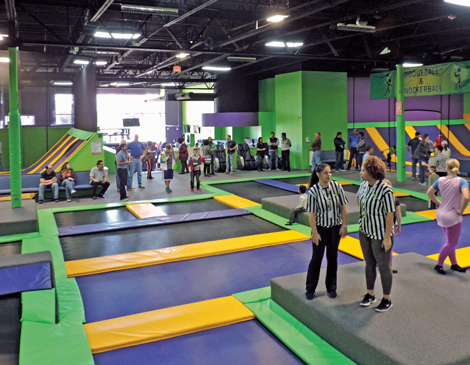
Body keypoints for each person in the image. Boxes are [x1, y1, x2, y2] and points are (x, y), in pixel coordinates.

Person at [305, 163, 348, 300]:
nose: (329, 175)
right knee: (316, 259)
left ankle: (331, 287)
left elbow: (343, 208)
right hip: (320, 230)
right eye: (325, 173)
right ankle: (310, 289)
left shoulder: (337, 187)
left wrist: (344, 226)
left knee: (332, 257)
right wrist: (315, 232)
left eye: (330, 172)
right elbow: (311, 214)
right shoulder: (313, 192)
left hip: (335, 229)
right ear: (318, 175)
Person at [357, 156, 395, 312]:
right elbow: (359, 199)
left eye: (363, 170)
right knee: (369, 263)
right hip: (365, 230)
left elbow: (390, 214)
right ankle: (370, 294)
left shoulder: (385, 189)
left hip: (380, 234)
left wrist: (387, 237)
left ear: (371, 171)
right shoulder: (364, 186)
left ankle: (386, 298)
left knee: (384, 266)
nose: (361, 172)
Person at [427, 159, 470, 275]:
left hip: (441, 214)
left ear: (447, 168)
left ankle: (454, 263)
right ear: (458, 167)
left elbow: (429, 193)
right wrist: (461, 210)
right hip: (452, 216)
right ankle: (439, 264)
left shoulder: (440, 180)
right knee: (452, 243)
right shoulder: (462, 181)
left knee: (450, 241)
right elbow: (466, 197)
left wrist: (440, 203)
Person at [383, 179, 402, 274]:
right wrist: (399, 225)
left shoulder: (379, 199)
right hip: (390, 225)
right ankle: (388, 266)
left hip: (379, 225)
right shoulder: (394, 199)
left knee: (378, 244)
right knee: (389, 247)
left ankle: (381, 264)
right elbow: (398, 214)